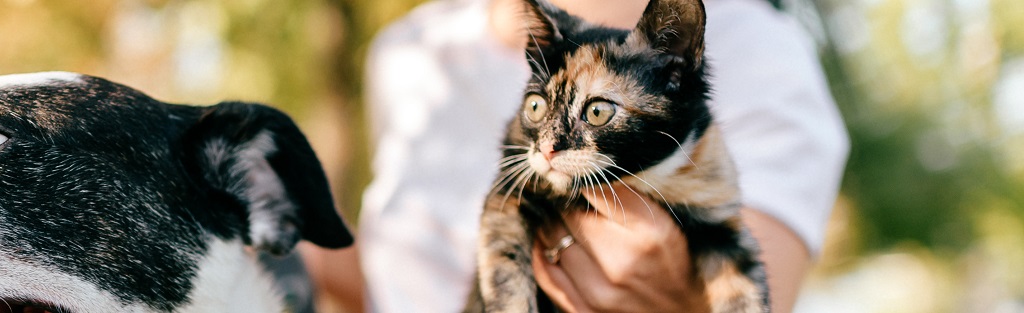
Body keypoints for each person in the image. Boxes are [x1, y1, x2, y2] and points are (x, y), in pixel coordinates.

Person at [313, 0, 849, 311]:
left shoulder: (762, 48)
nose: (547, 145)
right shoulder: (406, 50)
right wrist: (294, 244)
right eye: (538, 109)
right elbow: (402, 276)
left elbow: (741, 273)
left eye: (595, 113)